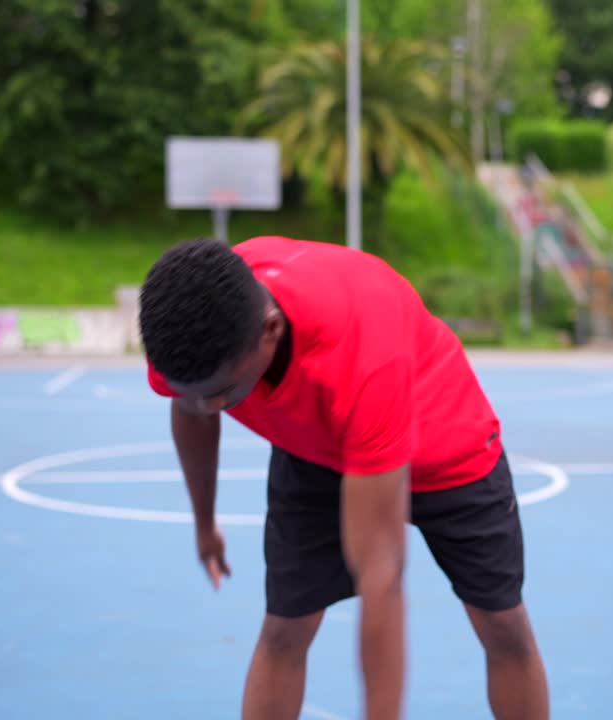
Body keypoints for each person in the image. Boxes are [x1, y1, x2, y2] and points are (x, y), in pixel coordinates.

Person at [137, 236, 549, 720]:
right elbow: (191, 410)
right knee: (285, 628)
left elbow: (382, 580)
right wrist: (204, 523)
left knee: (503, 625)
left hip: (444, 447)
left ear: (270, 329)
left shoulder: (359, 355)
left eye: (223, 394)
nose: (209, 406)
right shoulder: (193, 318)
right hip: (317, 448)